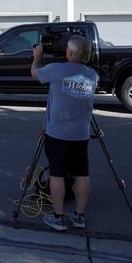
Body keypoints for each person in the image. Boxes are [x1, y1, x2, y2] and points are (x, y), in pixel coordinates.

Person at [30, 35, 98, 231]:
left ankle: (58, 218)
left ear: (70, 53)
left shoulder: (56, 70)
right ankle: (79, 216)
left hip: (58, 133)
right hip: (81, 133)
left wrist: (38, 56)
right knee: (82, 174)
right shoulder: (93, 76)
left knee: (57, 174)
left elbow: (34, 73)